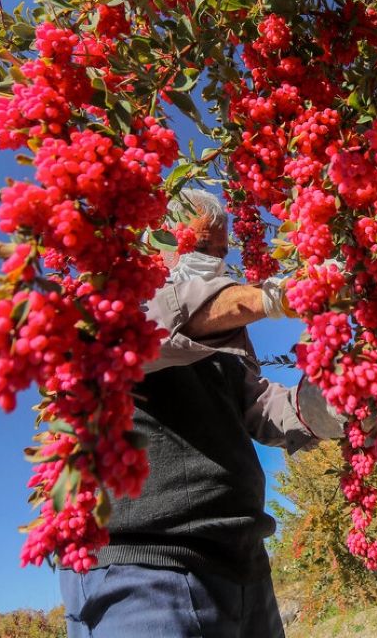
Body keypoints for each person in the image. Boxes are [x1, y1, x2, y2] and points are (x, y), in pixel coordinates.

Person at [58, 188, 344, 637]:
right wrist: (271, 298)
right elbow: (168, 322)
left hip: (241, 561)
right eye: (201, 246)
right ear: (155, 241)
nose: (214, 259)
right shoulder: (109, 306)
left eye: (220, 250)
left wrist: (328, 404)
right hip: (145, 572)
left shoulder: (226, 329)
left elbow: (261, 406)